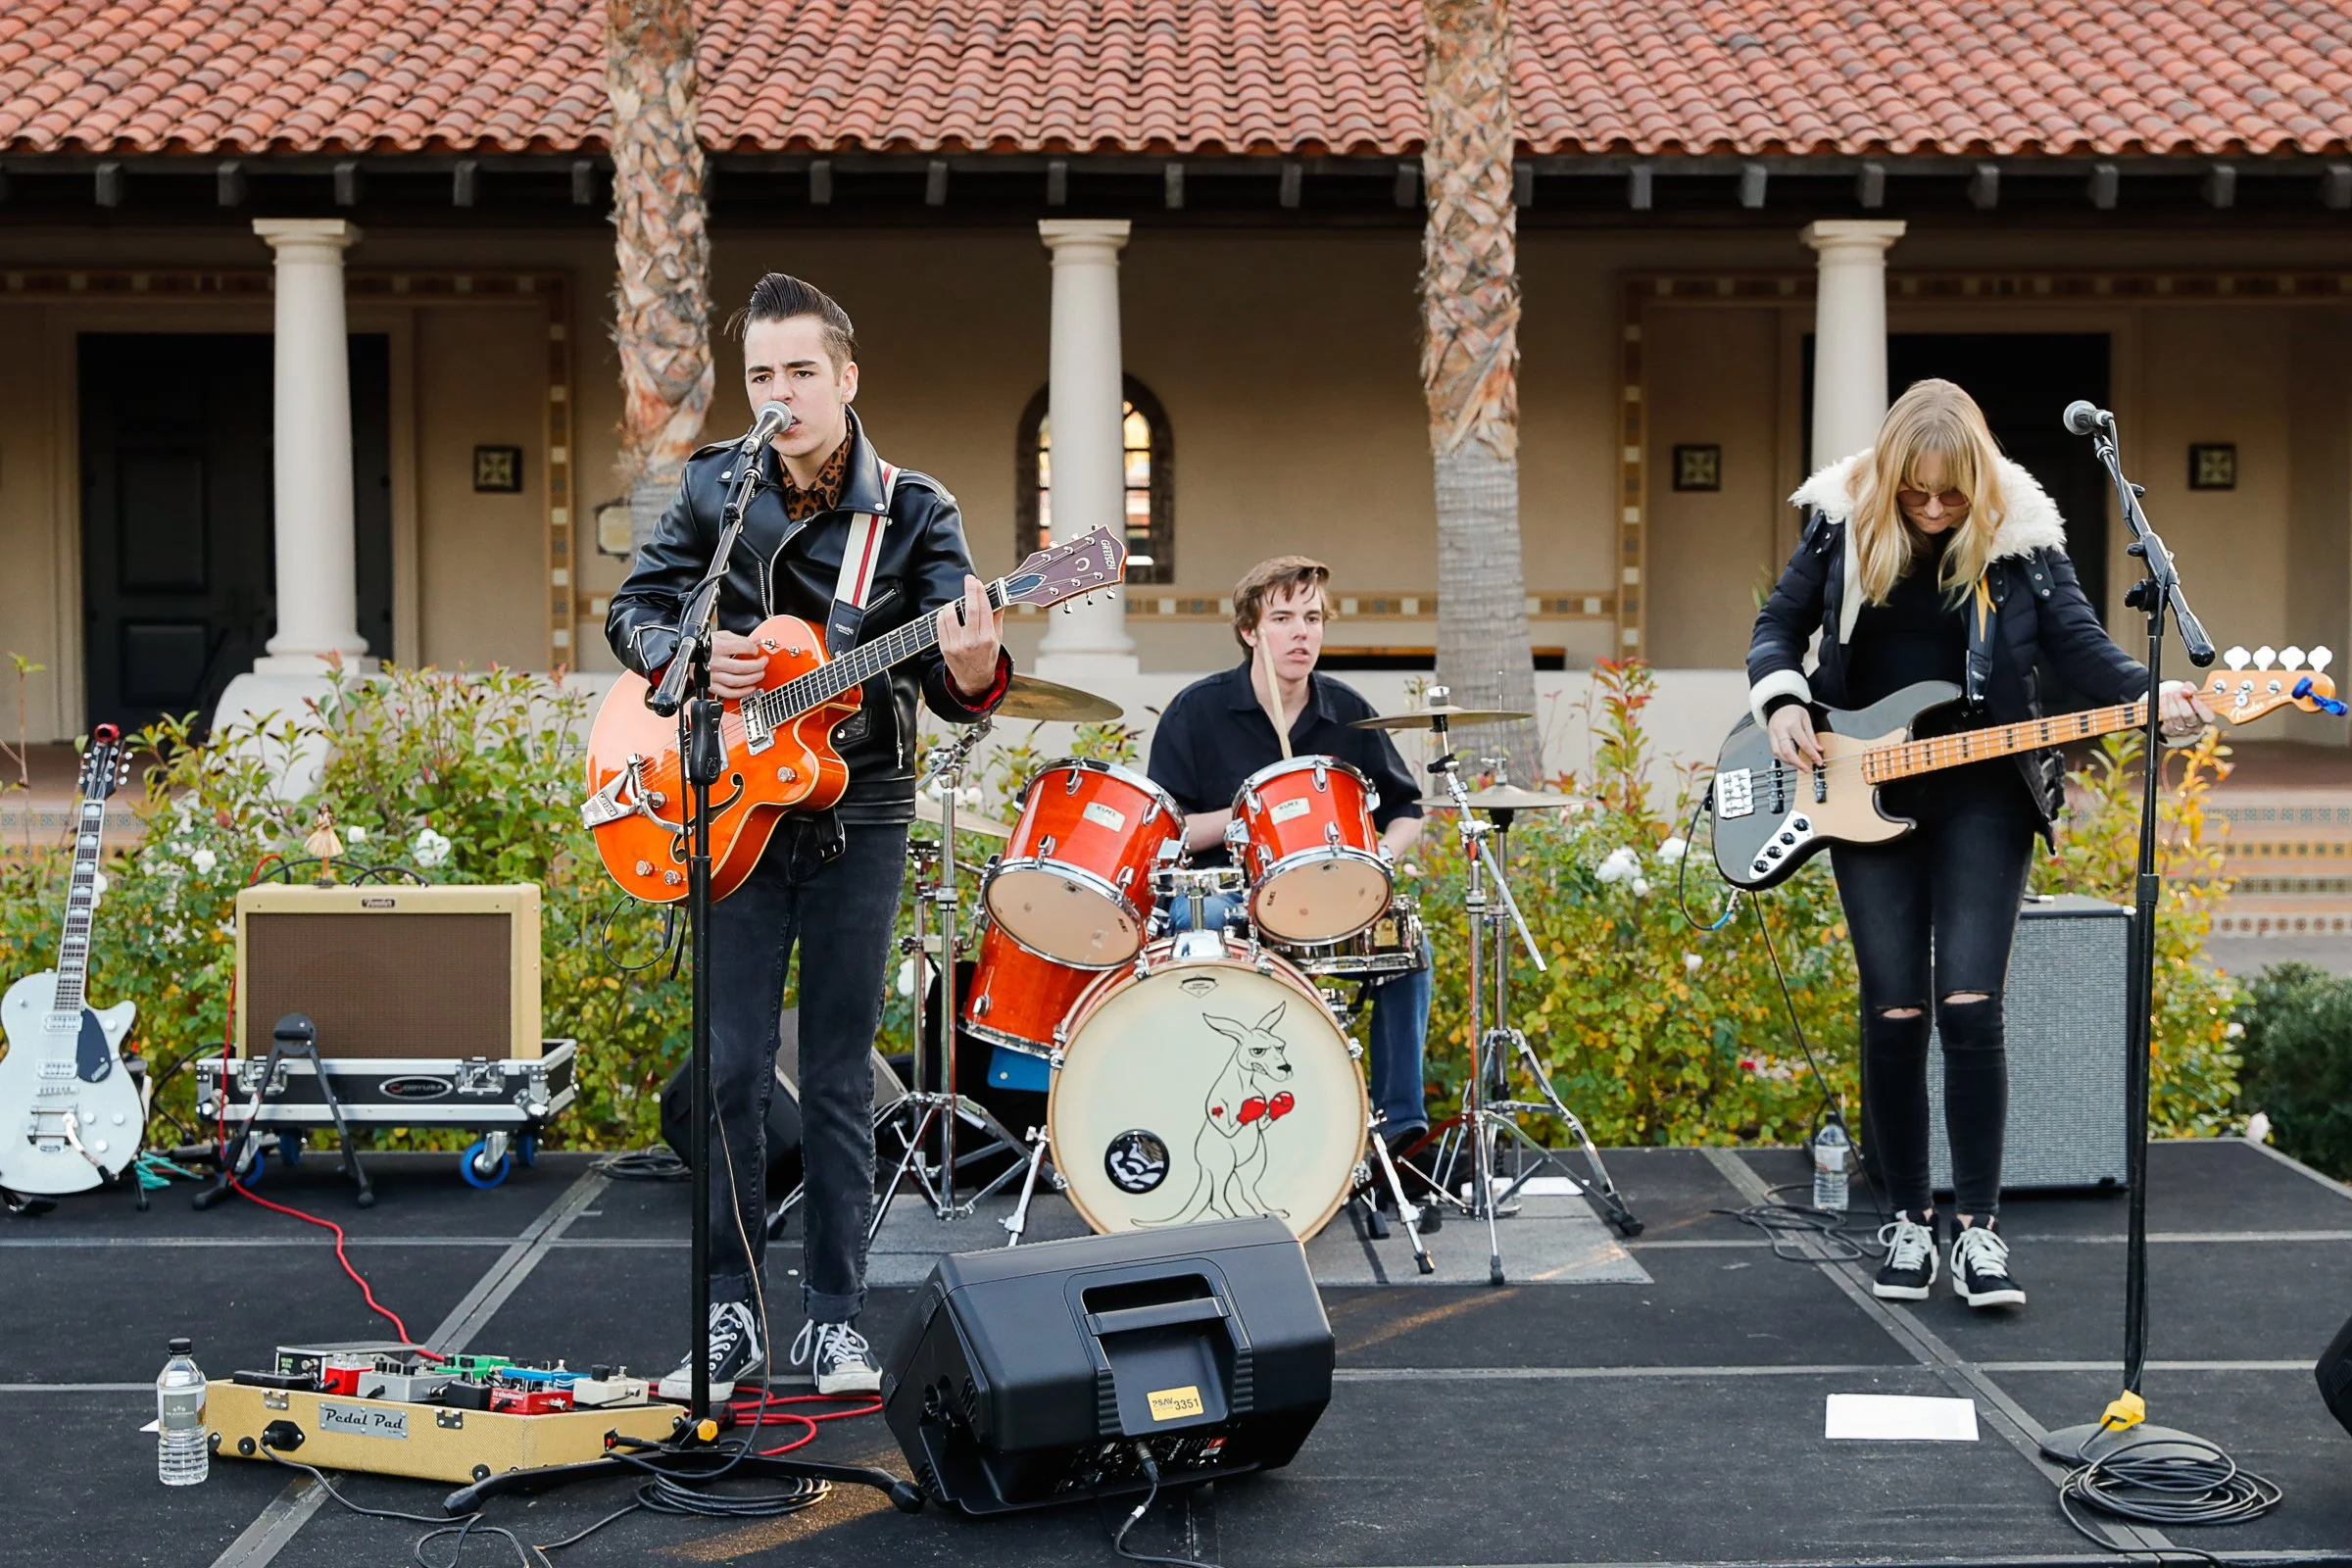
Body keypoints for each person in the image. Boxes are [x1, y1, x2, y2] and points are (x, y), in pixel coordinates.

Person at [608, 274, 1009, 1396]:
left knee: (835, 1074)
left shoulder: (915, 510)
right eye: (760, 377)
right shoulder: (714, 488)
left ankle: (835, 1312)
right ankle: (732, 1309)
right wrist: (692, 660)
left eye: (800, 373)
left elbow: (946, 672)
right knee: (732, 1068)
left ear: (847, 377)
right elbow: (632, 612)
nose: (778, 396)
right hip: (729, 807)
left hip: (859, 807)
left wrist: (973, 665)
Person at [1747, 378, 2213, 1309]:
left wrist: (2151, 697)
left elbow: (2084, 653)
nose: (1929, 509)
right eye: (1913, 493)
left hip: (1985, 791)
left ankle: (1981, 1235)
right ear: (1885, 480)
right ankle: (1910, 1223)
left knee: (1968, 1005)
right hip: (1860, 787)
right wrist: (1784, 700)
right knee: (1894, 1012)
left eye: (1949, 495)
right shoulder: (1839, 528)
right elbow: (1775, 627)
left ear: (1978, 482)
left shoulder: (2024, 546)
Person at [1144, 556, 1434, 1204]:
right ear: (1250, 630)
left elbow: (1406, 809)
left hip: (1331, 897)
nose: (1301, 633)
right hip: (1228, 902)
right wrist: (1249, 817)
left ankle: (1398, 1131)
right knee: (1198, 937)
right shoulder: (1198, 711)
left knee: (1407, 949)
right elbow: (1165, 833)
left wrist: (1381, 857)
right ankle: (1209, 1127)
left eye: (1311, 618)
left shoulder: (1349, 713)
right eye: (1282, 619)